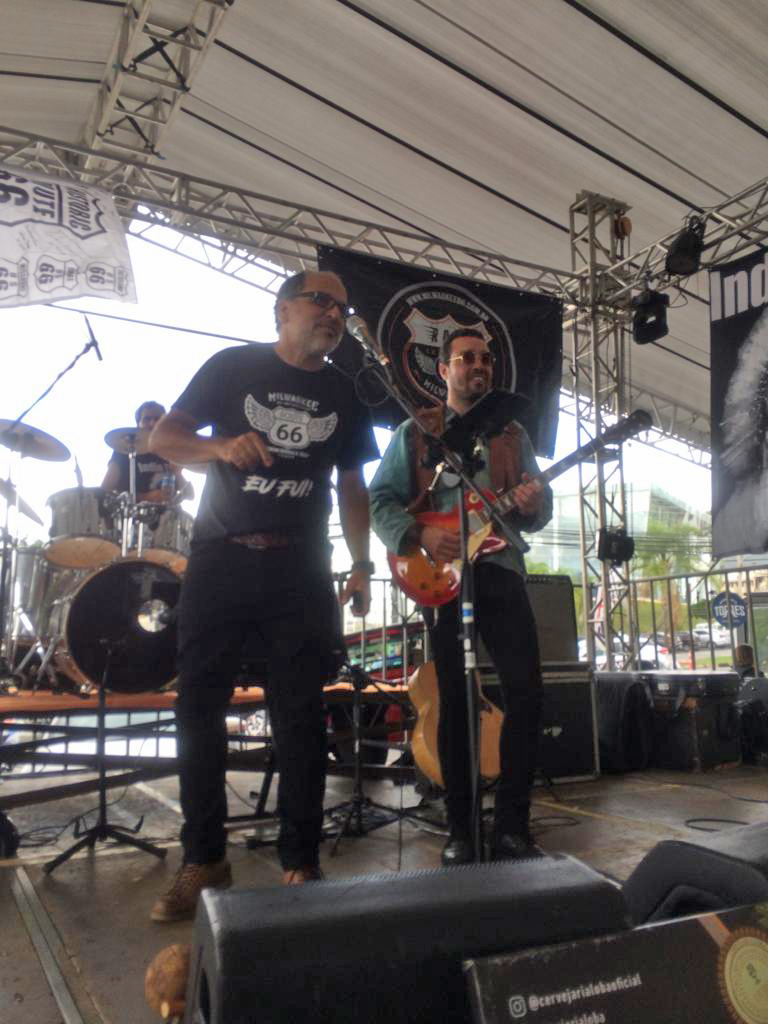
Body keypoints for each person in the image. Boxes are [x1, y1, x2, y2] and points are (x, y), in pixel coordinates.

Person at [148, 270, 378, 922]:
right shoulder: (233, 367)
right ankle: (203, 858)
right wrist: (221, 445)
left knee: (300, 715)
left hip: (300, 569)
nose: (333, 313)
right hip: (221, 560)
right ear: (282, 310)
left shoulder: (346, 390)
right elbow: (163, 439)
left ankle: (301, 862)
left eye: (342, 306)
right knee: (198, 707)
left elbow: (352, 486)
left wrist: (362, 564)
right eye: (320, 300)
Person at [369, 328, 552, 864]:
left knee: (526, 692)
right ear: (444, 370)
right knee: (453, 698)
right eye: (467, 357)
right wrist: (420, 534)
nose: (479, 365)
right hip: (443, 577)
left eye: (486, 358)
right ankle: (460, 829)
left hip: (500, 569)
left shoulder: (513, 434)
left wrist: (532, 503)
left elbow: (538, 513)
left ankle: (513, 826)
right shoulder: (416, 432)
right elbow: (380, 500)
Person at [101, 401, 192, 503]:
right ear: (138, 424)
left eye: (157, 419)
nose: (152, 423)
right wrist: (146, 497)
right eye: (147, 419)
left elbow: (190, 495)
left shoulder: (168, 452)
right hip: (133, 512)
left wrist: (177, 473)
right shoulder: (123, 450)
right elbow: (104, 491)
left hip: (169, 512)